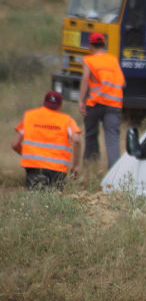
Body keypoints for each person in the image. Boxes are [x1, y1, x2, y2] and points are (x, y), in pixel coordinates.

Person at [11, 91, 81, 190]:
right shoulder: (67, 120)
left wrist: (29, 154)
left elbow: (14, 144)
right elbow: (76, 140)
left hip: (34, 168)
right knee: (55, 196)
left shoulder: (29, 116)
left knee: (36, 196)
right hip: (57, 169)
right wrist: (75, 166)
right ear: (60, 106)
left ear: (44, 103)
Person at [78, 32, 126, 169]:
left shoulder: (89, 60)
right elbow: (123, 84)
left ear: (91, 45)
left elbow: (85, 80)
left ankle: (90, 167)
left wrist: (81, 101)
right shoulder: (113, 60)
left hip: (95, 103)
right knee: (112, 138)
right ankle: (114, 170)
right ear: (104, 44)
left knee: (91, 135)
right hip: (114, 104)